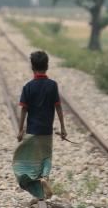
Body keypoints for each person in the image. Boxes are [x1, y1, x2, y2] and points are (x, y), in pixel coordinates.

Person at [12, 50, 67, 200]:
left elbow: (24, 109)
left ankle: (36, 184)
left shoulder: (28, 87)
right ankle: (45, 177)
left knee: (31, 159)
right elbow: (58, 107)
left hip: (32, 131)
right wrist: (63, 127)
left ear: (32, 67)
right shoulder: (52, 85)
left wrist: (20, 130)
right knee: (46, 157)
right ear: (47, 66)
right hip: (46, 131)